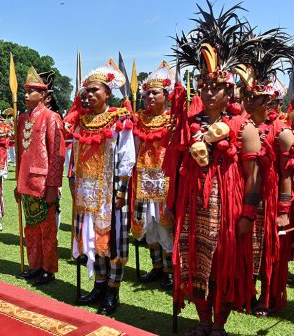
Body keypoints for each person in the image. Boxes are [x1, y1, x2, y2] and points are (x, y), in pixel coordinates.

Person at [170, 4, 262, 334]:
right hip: (193, 205)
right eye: (204, 86)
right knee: (193, 259)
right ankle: (204, 321)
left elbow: (255, 174)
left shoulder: (243, 126)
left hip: (227, 207)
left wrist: (248, 213)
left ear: (228, 91)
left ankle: (220, 325)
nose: (209, 92)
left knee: (222, 262)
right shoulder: (190, 123)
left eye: (216, 87)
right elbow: (178, 163)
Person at [69, 60, 135, 315]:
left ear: (108, 93)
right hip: (86, 191)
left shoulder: (119, 118)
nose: (90, 94)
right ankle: (98, 285)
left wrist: (121, 189)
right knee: (92, 240)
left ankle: (112, 292)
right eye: (87, 91)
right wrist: (73, 180)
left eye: (96, 90)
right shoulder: (81, 121)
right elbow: (72, 154)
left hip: (110, 192)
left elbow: (127, 154)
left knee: (113, 242)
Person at [235, 32, 294, 317]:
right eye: (247, 95)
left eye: (254, 97)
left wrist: (283, 210)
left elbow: (287, 175)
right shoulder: (241, 126)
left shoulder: (282, 134)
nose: (248, 100)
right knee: (248, 248)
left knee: (269, 252)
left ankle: (267, 298)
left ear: (268, 102)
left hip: (270, 203)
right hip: (246, 198)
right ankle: (247, 292)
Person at [15, 66, 65, 285]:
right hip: (26, 183)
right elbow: (19, 154)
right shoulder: (22, 119)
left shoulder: (51, 118)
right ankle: (35, 265)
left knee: (47, 229)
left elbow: (57, 154)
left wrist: (53, 186)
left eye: (31, 91)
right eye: (25, 90)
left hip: (44, 183)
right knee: (31, 228)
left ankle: (48, 268)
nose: (26, 95)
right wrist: (17, 183)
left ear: (43, 95)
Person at [129, 61, 175, 290]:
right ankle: (156, 267)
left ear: (166, 95)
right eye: (146, 94)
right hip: (143, 179)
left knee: (165, 225)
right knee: (149, 226)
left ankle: (169, 270)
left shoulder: (173, 120)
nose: (149, 98)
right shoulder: (140, 119)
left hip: (164, 179)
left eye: (155, 93)